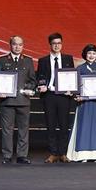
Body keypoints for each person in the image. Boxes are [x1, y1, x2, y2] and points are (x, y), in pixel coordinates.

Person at [0, 35, 36, 165]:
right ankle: (7, 155)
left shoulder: (28, 61)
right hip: (7, 101)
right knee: (7, 130)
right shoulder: (2, 60)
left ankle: (22, 156)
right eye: (15, 44)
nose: (17, 47)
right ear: (10, 45)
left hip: (23, 100)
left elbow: (33, 80)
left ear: (23, 46)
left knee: (23, 130)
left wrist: (28, 88)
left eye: (20, 44)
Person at [37, 32, 75, 163]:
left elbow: (72, 76)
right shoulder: (43, 61)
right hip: (49, 95)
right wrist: (41, 86)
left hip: (64, 96)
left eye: (59, 43)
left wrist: (72, 89)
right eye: (54, 43)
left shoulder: (68, 59)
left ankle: (63, 153)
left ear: (62, 44)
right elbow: (40, 77)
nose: (56, 46)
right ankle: (53, 153)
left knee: (64, 125)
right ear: (50, 45)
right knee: (50, 125)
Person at [67, 44, 96, 162]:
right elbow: (75, 85)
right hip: (84, 103)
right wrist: (76, 96)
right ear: (85, 54)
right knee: (83, 127)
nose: (91, 55)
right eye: (89, 53)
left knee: (95, 127)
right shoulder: (80, 68)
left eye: (94, 53)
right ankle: (82, 155)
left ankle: (94, 155)